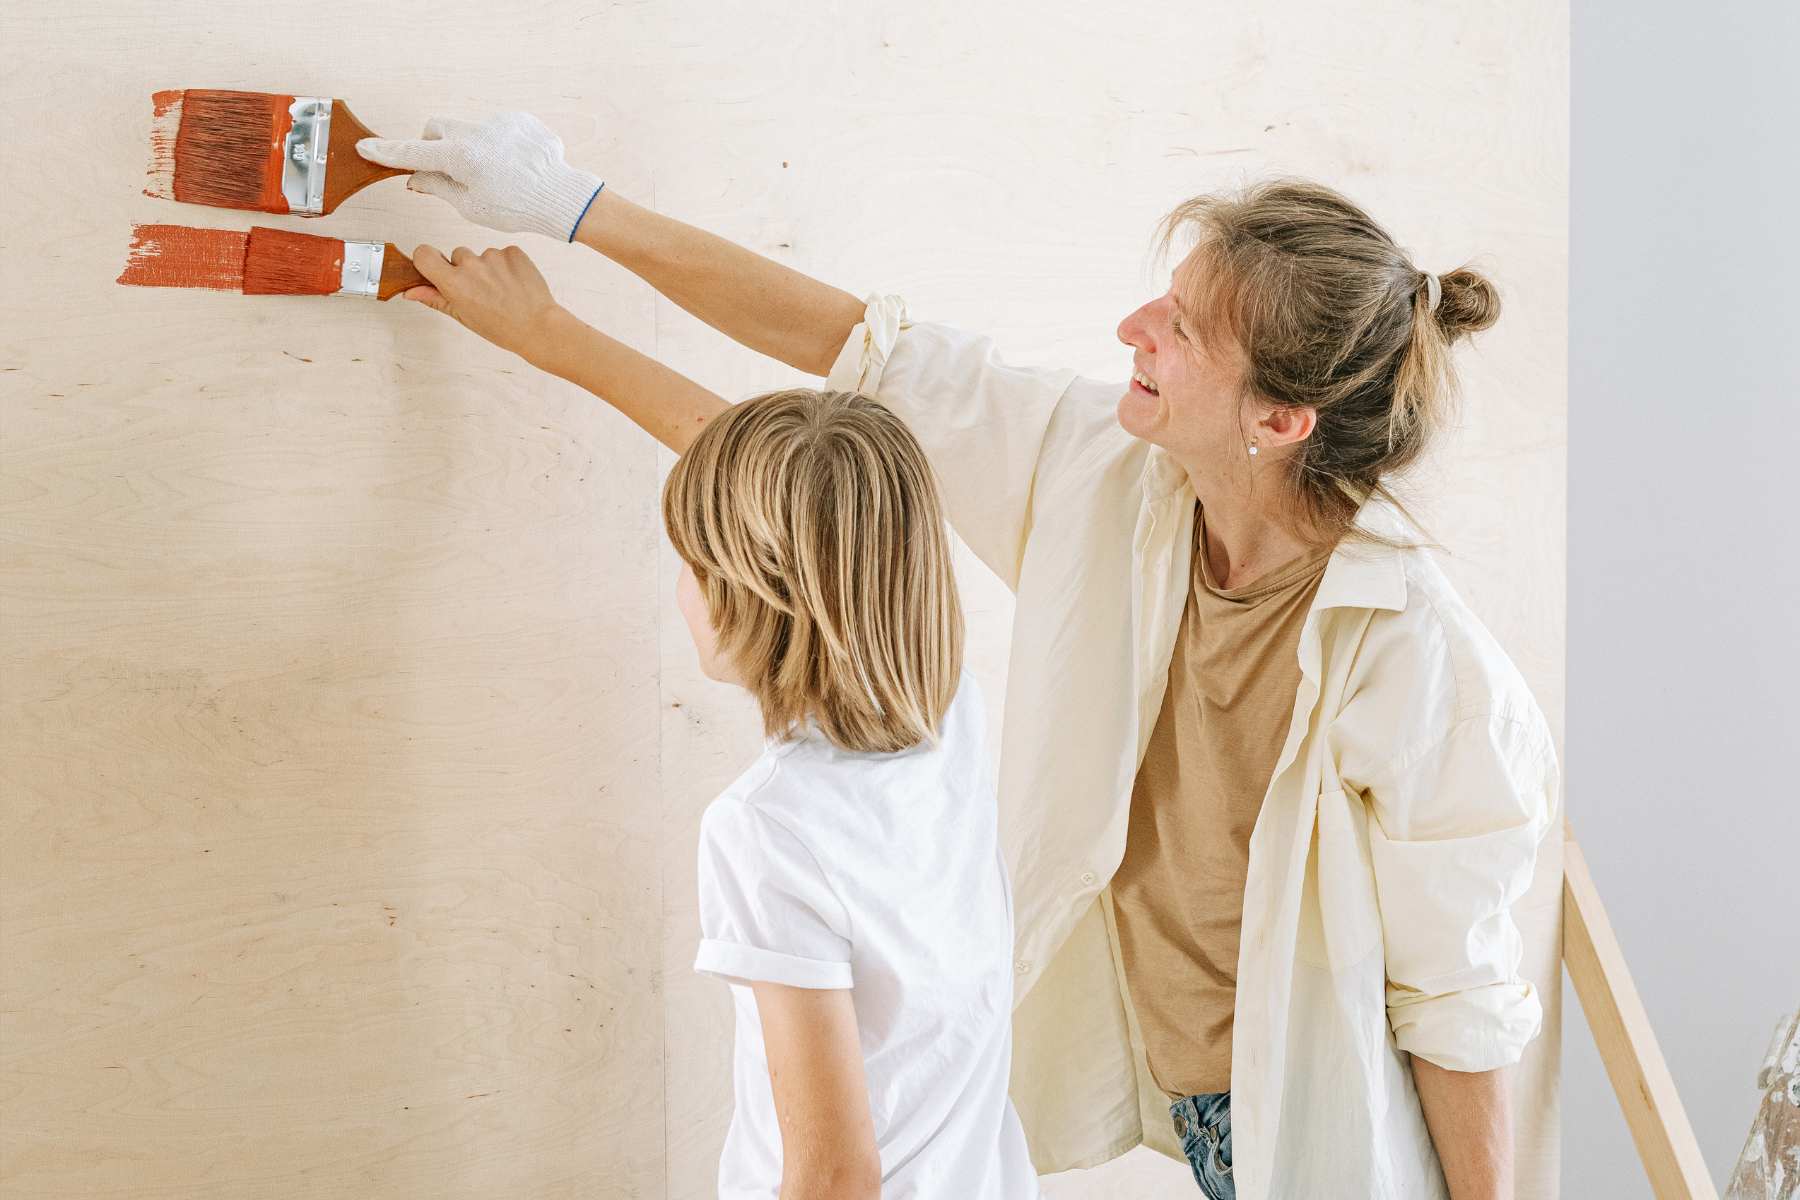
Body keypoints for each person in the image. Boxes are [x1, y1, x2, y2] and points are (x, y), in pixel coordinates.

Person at [362, 112, 1561, 1200]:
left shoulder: (1415, 660)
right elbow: (858, 368)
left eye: (1180, 331)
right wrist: (573, 209)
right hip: (1176, 1090)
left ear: (1280, 421)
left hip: (1321, 1137)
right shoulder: (1108, 479)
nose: (1132, 330)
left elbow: (1460, 1001)